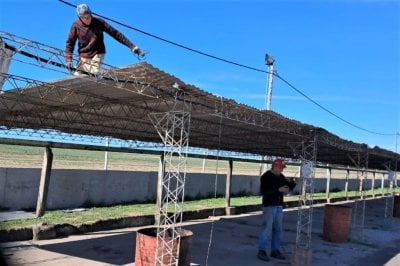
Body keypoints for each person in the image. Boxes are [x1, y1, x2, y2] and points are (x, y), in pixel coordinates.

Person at [65, 3, 145, 75]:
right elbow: (70, 43)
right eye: (84, 18)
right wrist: (68, 60)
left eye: (88, 16)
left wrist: (132, 46)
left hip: (97, 53)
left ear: (91, 14)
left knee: (93, 75)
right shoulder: (76, 26)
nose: (87, 19)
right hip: (83, 56)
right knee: (77, 76)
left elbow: (115, 33)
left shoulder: (99, 22)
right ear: (79, 18)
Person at [257, 159, 296, 261]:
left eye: (282, 168)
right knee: (266, 229)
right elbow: (264, 191)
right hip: (269, 206)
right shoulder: (266, 177)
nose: (282, 170)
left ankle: (275, 250)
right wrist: (278, 190)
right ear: (275, 166)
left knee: (278, 230)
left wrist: (293, 183)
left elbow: (287, 187)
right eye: (280, 167)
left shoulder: (281, 177)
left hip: (278, 206)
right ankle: (262, 251)